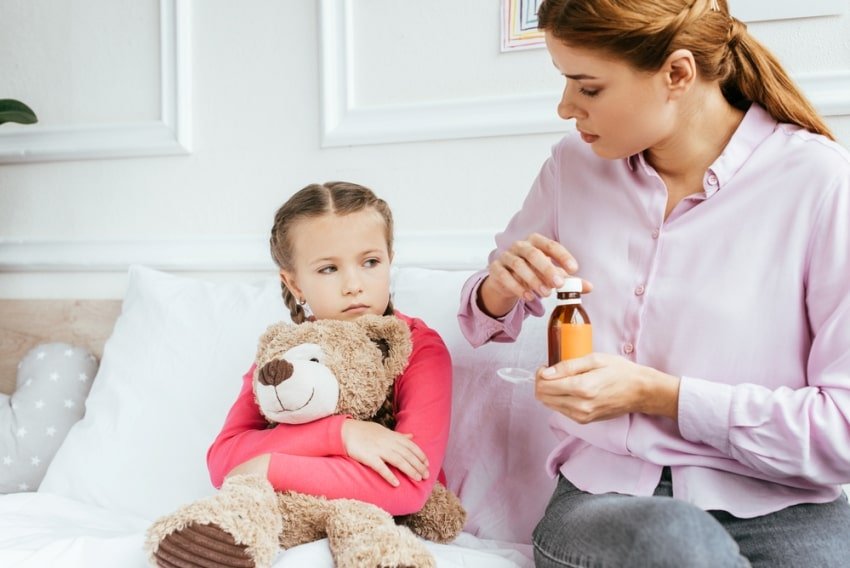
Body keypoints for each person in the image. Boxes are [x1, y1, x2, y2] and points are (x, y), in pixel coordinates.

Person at [458, 0, 850, 566]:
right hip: (608, 499)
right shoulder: (572, 168)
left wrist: (660, 395)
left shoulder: (820, 183)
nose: (565, 107)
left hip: (787, 503)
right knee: (681, 548)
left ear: (678, 74)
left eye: (587, 88)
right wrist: (500, 287)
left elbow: (841, 430)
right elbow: (482, 313)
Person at [208, 181, 453, 517]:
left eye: (370, 262)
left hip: (384, 528)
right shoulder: (285, 353)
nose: (353, 286)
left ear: (389, 260)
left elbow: (409, 488)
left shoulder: (420, 349)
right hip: (291, 520)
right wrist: (340, 434)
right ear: (295, 284)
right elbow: (223, 460)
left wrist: (268, 468)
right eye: (328, 269)